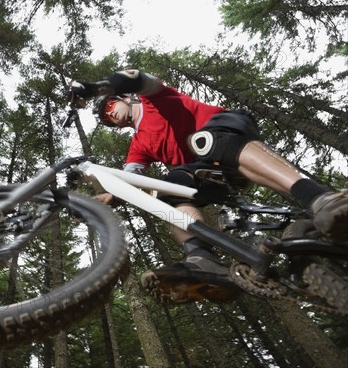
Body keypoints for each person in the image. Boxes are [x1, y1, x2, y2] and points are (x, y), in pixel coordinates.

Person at [70, 69, 348, 302]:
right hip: (209, 173)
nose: (111, 115)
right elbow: (129, 177)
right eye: (107, 119)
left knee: (206, 142)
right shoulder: (139, 145)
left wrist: (96, 89)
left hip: (226, 133)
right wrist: (107, 196)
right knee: (164, 190)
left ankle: (319, 198)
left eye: (110, 106)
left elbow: (138, 78)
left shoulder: (155, 100)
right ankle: (203, 259)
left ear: (125, 99)